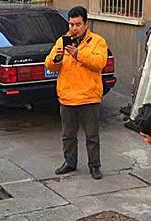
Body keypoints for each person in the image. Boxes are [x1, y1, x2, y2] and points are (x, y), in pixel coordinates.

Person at [45, 6, 108, 180]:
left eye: (78, 24)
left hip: (89, 96)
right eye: (71, 24)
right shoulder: (62, 41)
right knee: (68, 135)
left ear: (86, 24)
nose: (74, 28)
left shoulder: (98, 41)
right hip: (67, 96)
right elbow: (49, 64)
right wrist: (57, 58)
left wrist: (78, 54)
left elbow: (99, 63)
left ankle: (94, 166)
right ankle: (70, 162)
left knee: (92, 136)